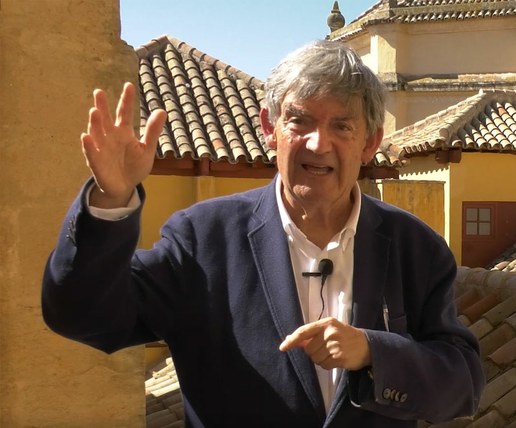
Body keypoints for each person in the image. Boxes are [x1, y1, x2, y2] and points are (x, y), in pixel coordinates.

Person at [42, 40, 484, 427]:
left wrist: (373, 351)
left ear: (370, 143)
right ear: (270, 130)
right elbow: (83, 316)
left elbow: (462, 385)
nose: (317, 143)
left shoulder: (416, 247)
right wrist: (110, 200)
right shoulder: (202, 238)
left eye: (341, 126)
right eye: (300, 121)